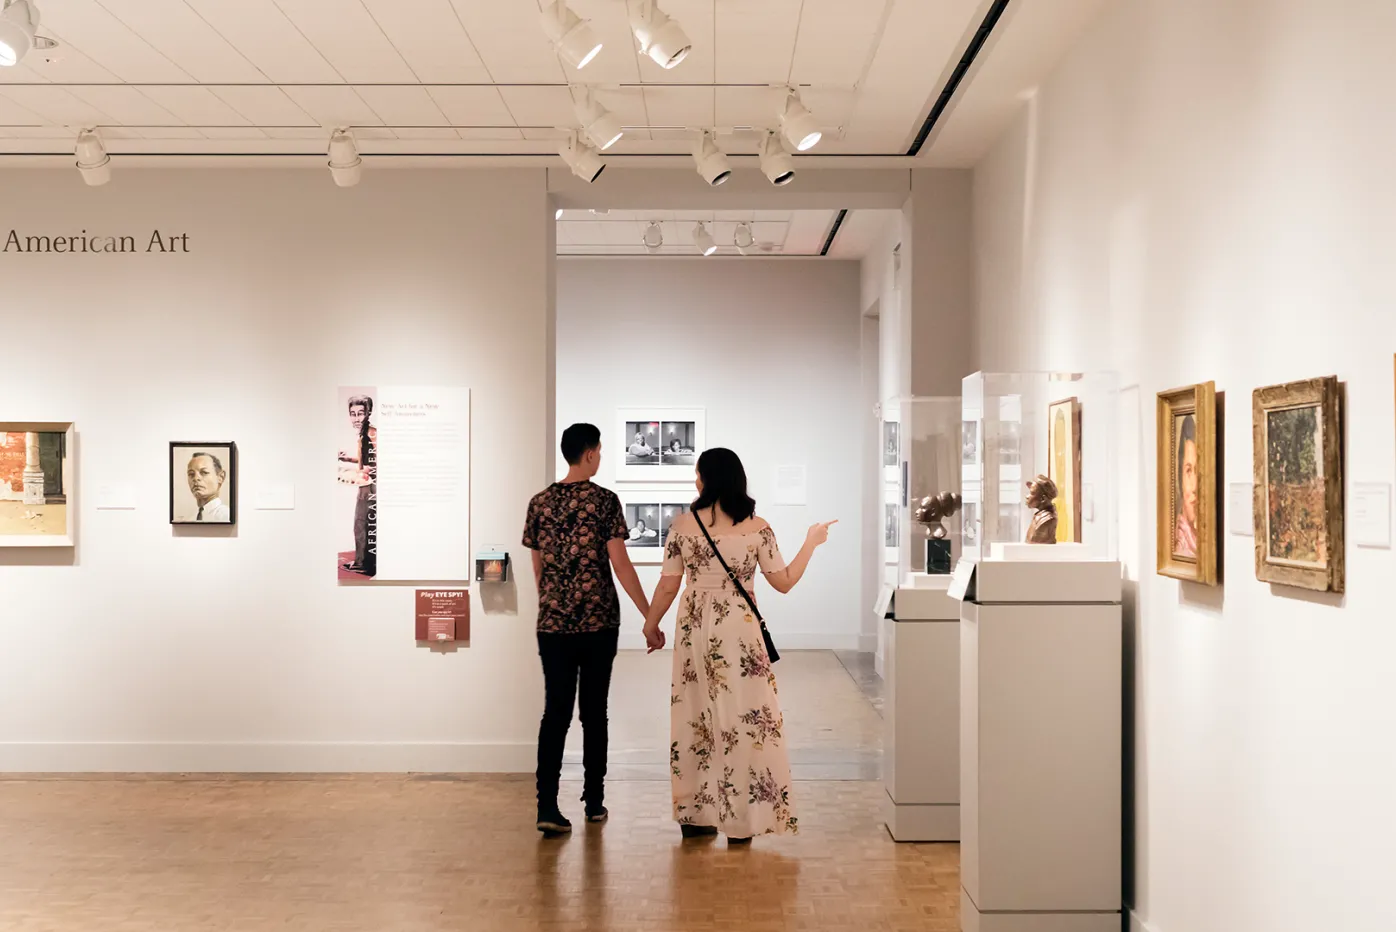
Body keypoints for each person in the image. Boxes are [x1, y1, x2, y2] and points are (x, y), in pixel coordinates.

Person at [642, 448, 835, 844]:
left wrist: (650, 624)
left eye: (697, 474)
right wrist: (811, 542)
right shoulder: (757, 527)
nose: (694, 481)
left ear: (707, 479)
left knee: (695, 713)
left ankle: (697, 816)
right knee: (746, 718)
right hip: (738, 628)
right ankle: (744, 820)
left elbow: (668, 584)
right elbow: (783, 581)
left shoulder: (683, 525)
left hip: (695, 625)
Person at [523, 423, 651, 836]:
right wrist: (649, 615)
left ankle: (547, 805)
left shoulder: (539, 503)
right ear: (591, 453)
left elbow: (538, 567)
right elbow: (621, 565)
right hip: (598, 622)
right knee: (594, 712)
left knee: (555, 712)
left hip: (553, 625)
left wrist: (554, 603)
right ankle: (594, 801)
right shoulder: (605, 502)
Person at [338, 395, 376, 576]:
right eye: (353, 414)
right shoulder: (365, 433)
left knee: (362, 524)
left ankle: (364, 564)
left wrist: (351, 475)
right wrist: (347, 459)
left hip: (370, 487)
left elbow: (374, 464)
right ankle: (363, 561)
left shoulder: (370, 435)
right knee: (362, 524)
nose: (356, 418)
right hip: (368, 485)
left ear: (368, 412)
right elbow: (365, 462)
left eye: (360, 413)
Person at [1175, 414, 1199, 558]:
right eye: (1188, 471)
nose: (1195, 486)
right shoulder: (1181, 544)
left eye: (1198, 471)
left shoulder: (1197, 540)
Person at [185, 452, 230, 522]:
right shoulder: (190, 520)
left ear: (220, 477)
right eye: (191, 474)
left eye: (204, 472)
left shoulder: (226, 516)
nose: (196, 478)